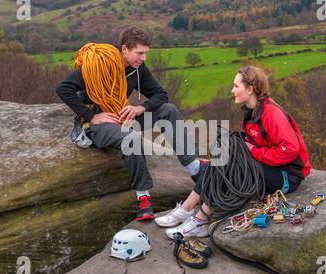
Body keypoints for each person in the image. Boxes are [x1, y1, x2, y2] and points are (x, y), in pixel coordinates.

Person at [56, 27, 208, 221]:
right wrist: (91, 116)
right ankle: (143, 198)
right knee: (131, 138)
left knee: (168, 110)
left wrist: (141, 108)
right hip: (98, 125)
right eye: (140, 53)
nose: (143, 58)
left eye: (146, 53)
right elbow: (63, 88)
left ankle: (194, 168)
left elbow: (160, 94)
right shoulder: (98, 65)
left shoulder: (137, 70)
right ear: (125, 49)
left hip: (123, 116)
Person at [155, 65, 311, 239]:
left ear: (250, 89)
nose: (232, 90)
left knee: (228, 168)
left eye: (236, 86)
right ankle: (186, 210)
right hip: (271, 168)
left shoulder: (271, 114)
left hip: (288, 176)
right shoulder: (252, 112)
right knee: (222, 159)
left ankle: (200, 220)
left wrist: (253, 151)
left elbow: (289, 150)